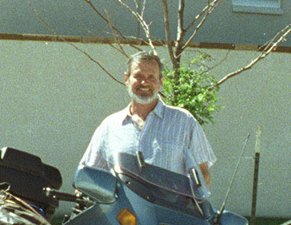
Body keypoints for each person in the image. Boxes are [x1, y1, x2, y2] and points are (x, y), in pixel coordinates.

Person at [79, 51, 216, 185]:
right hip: (122, 208)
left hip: (168, 207)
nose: (144, 82)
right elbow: (89, 175)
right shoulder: (110, 126)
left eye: (151, 77)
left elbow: (203, 175)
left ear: (161, 81)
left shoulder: (184, 122)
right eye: (138, 76)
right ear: (126, 79)